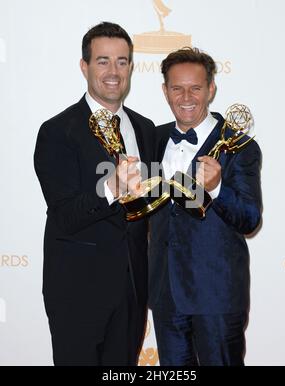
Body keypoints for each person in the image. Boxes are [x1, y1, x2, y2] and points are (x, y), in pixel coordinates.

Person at [34, 22, 155, 366]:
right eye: (103, 61)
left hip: (133, 291)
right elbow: (65, 215)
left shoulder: (144, 128)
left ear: (131, 66)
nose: (113, 72)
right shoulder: (58, 131)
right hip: (77, 293)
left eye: (122, 61)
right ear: (84, 66)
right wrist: (111, 188)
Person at [148, 47, 262, 366]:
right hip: (165, 294)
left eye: (196, 88)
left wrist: (218, 188)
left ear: (211, 89)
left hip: (217, 296)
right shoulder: (153, 139)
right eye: (177, 88)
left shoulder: (240, 146)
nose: (186, 96)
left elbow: (250, 219)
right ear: (165, 91)